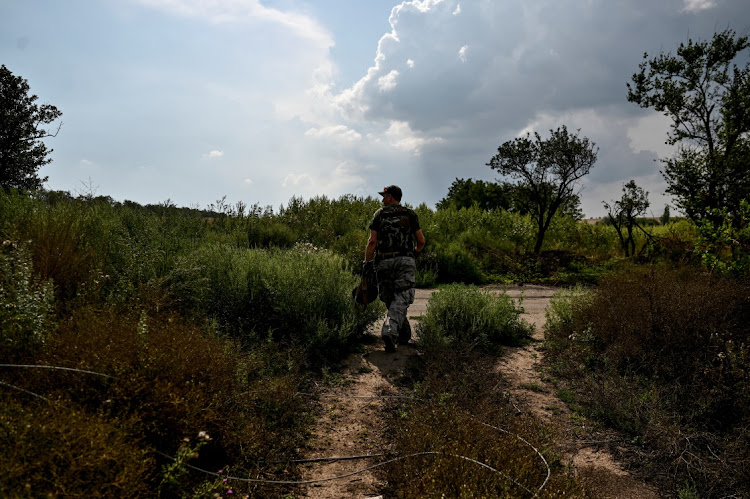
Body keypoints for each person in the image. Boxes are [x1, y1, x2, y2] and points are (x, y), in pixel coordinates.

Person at [364, 185, 426, 352]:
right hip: (405, 260)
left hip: (384, 261)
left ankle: (401, 336)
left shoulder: (379, 214)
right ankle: (391, 332)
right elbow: (421, 241)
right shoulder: (410, 214)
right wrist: (414, 255)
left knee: (391, 298)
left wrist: (367, 263)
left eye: (384, 196)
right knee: (401, 297)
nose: (382, 199)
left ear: (390, 196)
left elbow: (372, 242)